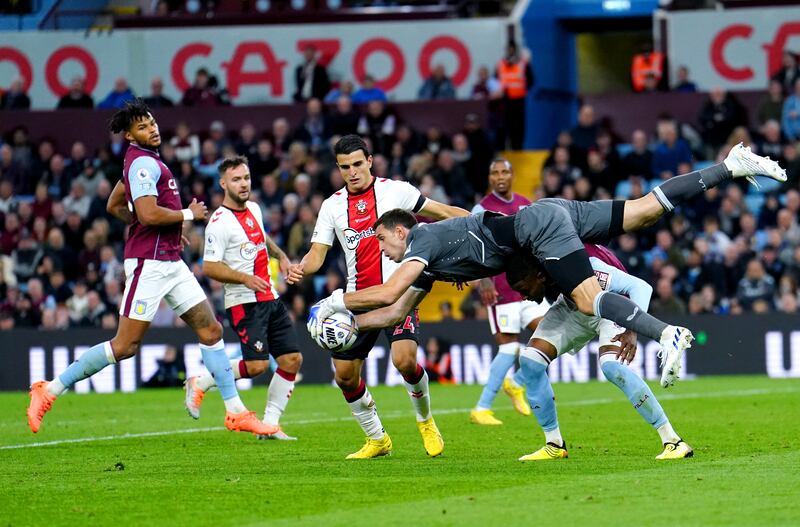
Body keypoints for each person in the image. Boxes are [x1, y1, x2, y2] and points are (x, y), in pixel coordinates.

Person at [309, 144, 785, 389]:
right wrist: (346, 326)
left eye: (383, 244)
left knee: (584, 298)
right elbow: (392, 314)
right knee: (644, 210)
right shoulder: (431, 262)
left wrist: (332, 302)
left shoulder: (422, 239)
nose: (385, 254)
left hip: (536, 229)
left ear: (397, 230)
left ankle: (666, 333)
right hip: (547, 215)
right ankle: (730, 167)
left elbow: (390, 292)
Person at [26, 99, 276, 437]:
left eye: (152, 122)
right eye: (142, 127)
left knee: (211, 330)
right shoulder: (142, 164)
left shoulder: (143, 161)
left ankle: (236, 412)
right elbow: (147, 213)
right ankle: (50, 389)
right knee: (125, 346)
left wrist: (166, 230)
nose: (152, 128)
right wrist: (187, 216)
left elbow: (115, 204)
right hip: (150, 265)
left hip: (170, 261)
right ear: (130, 135)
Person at [286, 134, 468, 459]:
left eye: (358, 164)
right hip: (358, 300)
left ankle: (425, 421)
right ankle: (377, 439)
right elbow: (317, 253)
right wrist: (301, 268)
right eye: (345, 167)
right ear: (338, 169)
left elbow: (440, 212)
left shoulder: (396, 191)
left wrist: (478, 225)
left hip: (399, 293)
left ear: (369, 161)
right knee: (344, 376)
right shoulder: (331, 206)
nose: (352, 172)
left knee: (405, 361)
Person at [504, 248, 693, 461]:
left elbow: (640, 286)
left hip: (611, 306)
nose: (524, 296)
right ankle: (554, 445)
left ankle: (673, 441)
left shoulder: (580, 267)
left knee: (612, 367)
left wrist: (632, 328)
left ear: (538, 276)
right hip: (571, 306)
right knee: (530, 361)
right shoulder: (543, 261)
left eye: (523, 288)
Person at [185, 155, 302, 440]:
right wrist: (245, 278)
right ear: (223, 183)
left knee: (291, 360)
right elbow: (210, 267)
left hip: (270, 298)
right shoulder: (218, 222)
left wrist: (283, 258)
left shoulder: (255, 208)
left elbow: (263, 238)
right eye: (236, 179)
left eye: (246, 178)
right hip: (243, 302)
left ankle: (270, 425)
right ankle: (200, 381)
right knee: (257, 366)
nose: (243, 184)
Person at [469, 158, 549, 425]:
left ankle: (516, 382)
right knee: (509, 349)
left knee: (550, 332)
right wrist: (485, 280)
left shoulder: (525, 204)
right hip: (501, 288)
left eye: (505, 172)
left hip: (529, 287)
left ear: (513, 175)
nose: (500, 176)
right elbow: (474, 248)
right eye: (495, 173)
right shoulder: (481, 209)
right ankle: (482, 408)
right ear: (489, 178)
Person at [496, 42, 534, 150]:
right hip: (505, 100)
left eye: (512, 49)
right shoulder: (501, 64)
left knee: (518, 126)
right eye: (508, 49)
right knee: (505, 125)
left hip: (518, 99)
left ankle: (517, 147)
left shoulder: (522, 63)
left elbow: (531, 80)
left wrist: (523, 89)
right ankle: (504, 147)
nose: (510, 51)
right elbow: (496, 80)